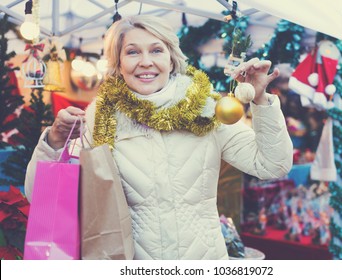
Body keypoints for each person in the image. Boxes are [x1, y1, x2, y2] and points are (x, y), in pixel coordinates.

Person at [25, 15, 293, 260]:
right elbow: (41, 197)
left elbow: (272, 164)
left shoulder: (207, 110)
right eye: (132, 52)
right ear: (118, 63)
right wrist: (54, 141)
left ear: (171, 58)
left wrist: (261, 100)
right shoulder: (99, 119)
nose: (145, 62)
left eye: (156, 50)